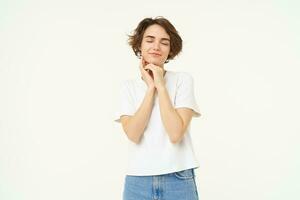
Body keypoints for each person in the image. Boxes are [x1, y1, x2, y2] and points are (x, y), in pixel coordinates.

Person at [114, 16, 202, 200]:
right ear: (139, 44)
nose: (156, 46)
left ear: (170, 49)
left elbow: (175, 133)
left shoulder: (182, 80)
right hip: (137, 181)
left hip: (178, 179)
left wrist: (161, 86)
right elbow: (133, 133)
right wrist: (151, 88)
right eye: (150, 40)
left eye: (164, 42)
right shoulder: (127, 87)